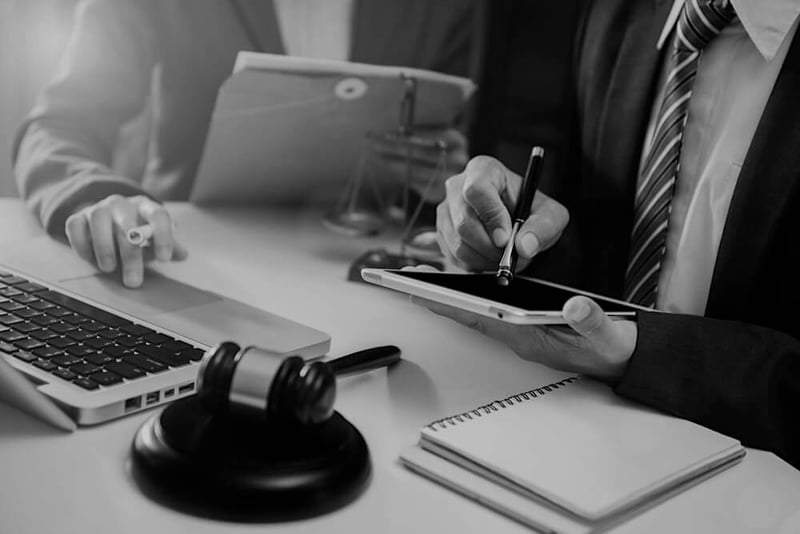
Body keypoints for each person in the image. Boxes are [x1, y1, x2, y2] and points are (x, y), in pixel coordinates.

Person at [427, 0, 800, 469]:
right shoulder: (618, 13)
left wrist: (643, 352)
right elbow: (605, 250)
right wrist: (516, 241)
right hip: (578, 434)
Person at [13, 0, 477, 288]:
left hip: (368, 274)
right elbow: (57, 124)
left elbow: (458, 147)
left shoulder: (443, 7)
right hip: (192, 264)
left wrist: (451, 178)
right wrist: (95, 195)